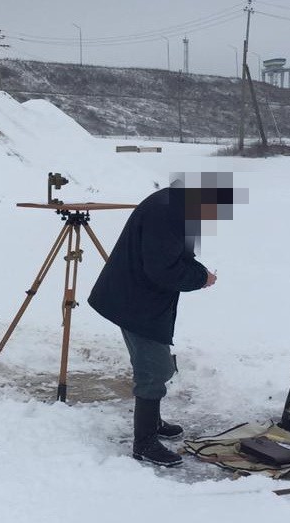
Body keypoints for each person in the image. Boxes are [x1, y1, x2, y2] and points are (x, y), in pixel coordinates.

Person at [89, 177, 232, 467]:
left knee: (160, 366)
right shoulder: (167, 213)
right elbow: (162, 269)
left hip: (143, 299)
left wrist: (199, 270)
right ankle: (144, 443)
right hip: (135, 301)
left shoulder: (176, 205)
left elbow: (178, 254)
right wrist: (200, 278)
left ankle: (152, 421)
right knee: (153, 372)